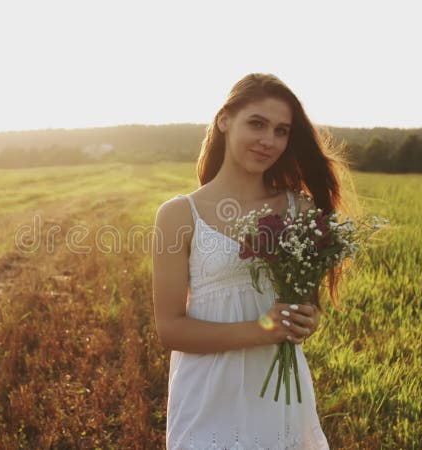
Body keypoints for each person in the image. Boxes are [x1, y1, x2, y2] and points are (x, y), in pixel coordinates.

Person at [152, 73, 351, 449]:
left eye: (281, 131)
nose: (268, 141)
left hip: (277, 393)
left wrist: (307, 320)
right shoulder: (179, 215)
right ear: (225, 120)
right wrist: (262, 330)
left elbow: (305, 308)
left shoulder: (299, 208)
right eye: (257, 124)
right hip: (205, 394)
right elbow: (170, 329)